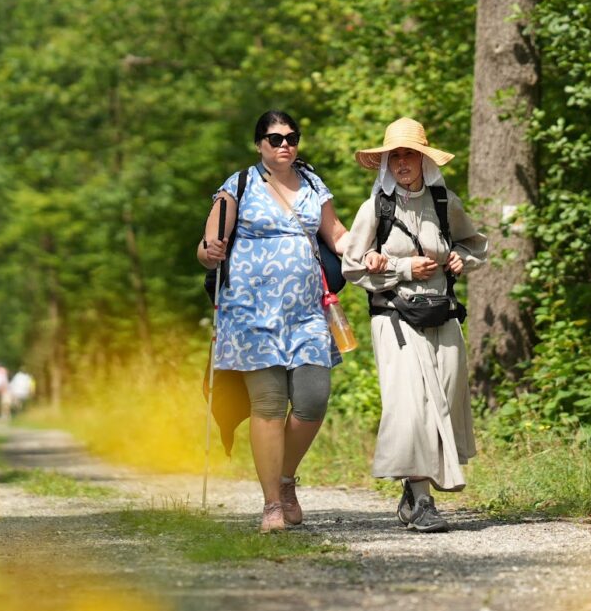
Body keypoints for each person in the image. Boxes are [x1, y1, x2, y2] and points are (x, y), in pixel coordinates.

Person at [197, 110, 350, 532]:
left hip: (306, 314)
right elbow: (207, 247)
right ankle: (271, 506)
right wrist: (210, 252)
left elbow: (336, 234)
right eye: (275, 138)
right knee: (268, 405)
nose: (285, 145)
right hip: (250, 315)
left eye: (291, 138)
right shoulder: (238, 186)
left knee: (313, 401)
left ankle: (285, 479)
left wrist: (370, 250)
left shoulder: (313, 183)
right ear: (259, 144)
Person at [342, 117, 488, 533]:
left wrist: (461, 258)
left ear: (425, 160)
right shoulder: (375, 208)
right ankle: (423, 501)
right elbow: (352, 265)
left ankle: (412, 491)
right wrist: (402, 268)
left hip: (442, 314)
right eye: (395, 156)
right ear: (386, 163)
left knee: (445, 395)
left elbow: (474, 245)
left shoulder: (444, 202)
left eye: (410, 154)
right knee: (412, 405)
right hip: (395, 318)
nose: (402, 163)